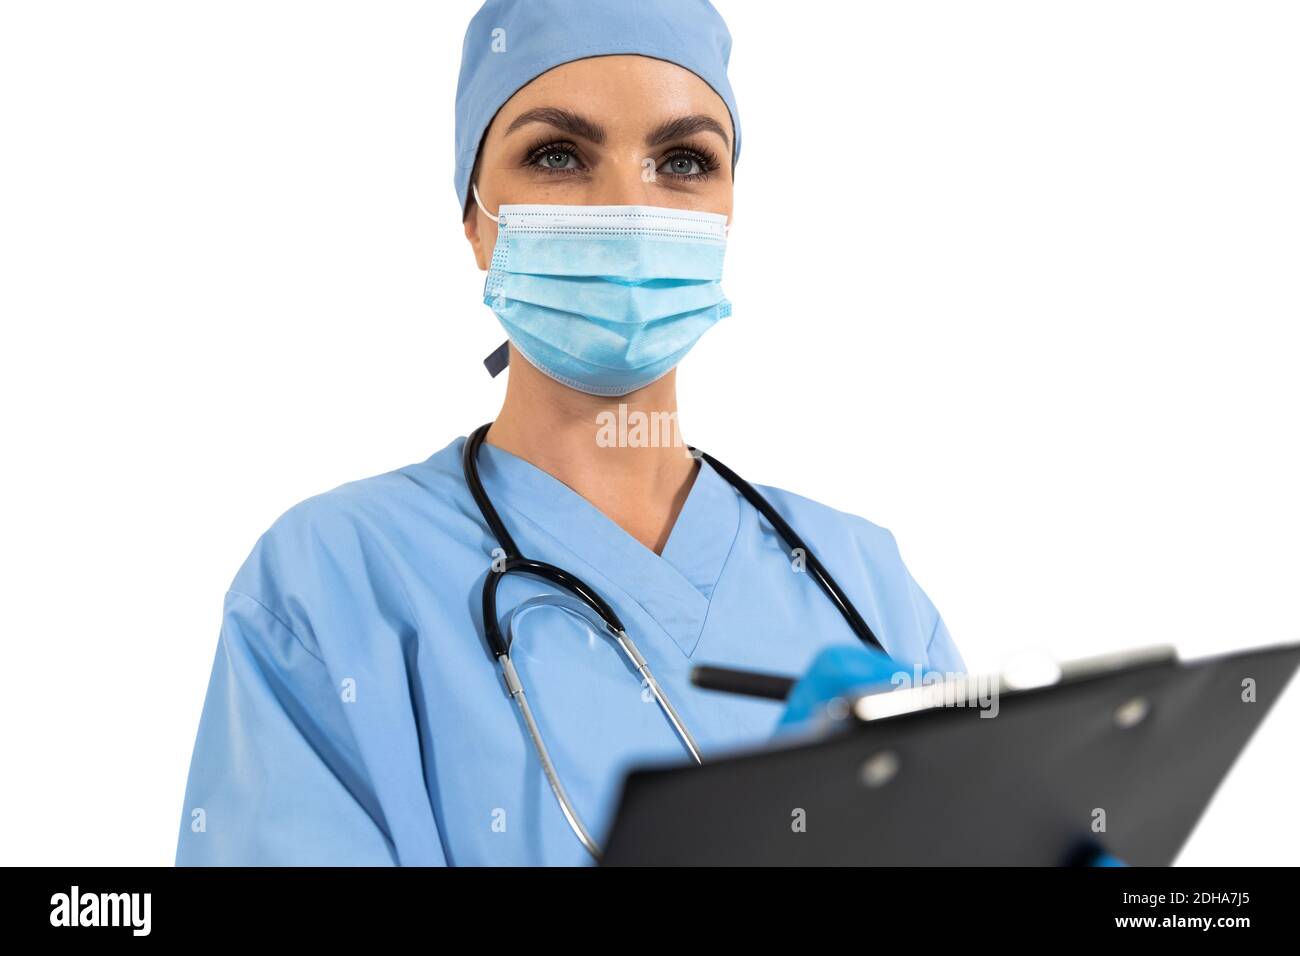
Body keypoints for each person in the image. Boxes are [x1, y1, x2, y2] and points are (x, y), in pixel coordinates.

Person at [175, 0, 965, 867]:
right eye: (558, 154)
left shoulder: (867, 586)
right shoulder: (330, 585)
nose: (629, 206)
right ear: (476, 218)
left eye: (683, 160)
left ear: (729, 213)